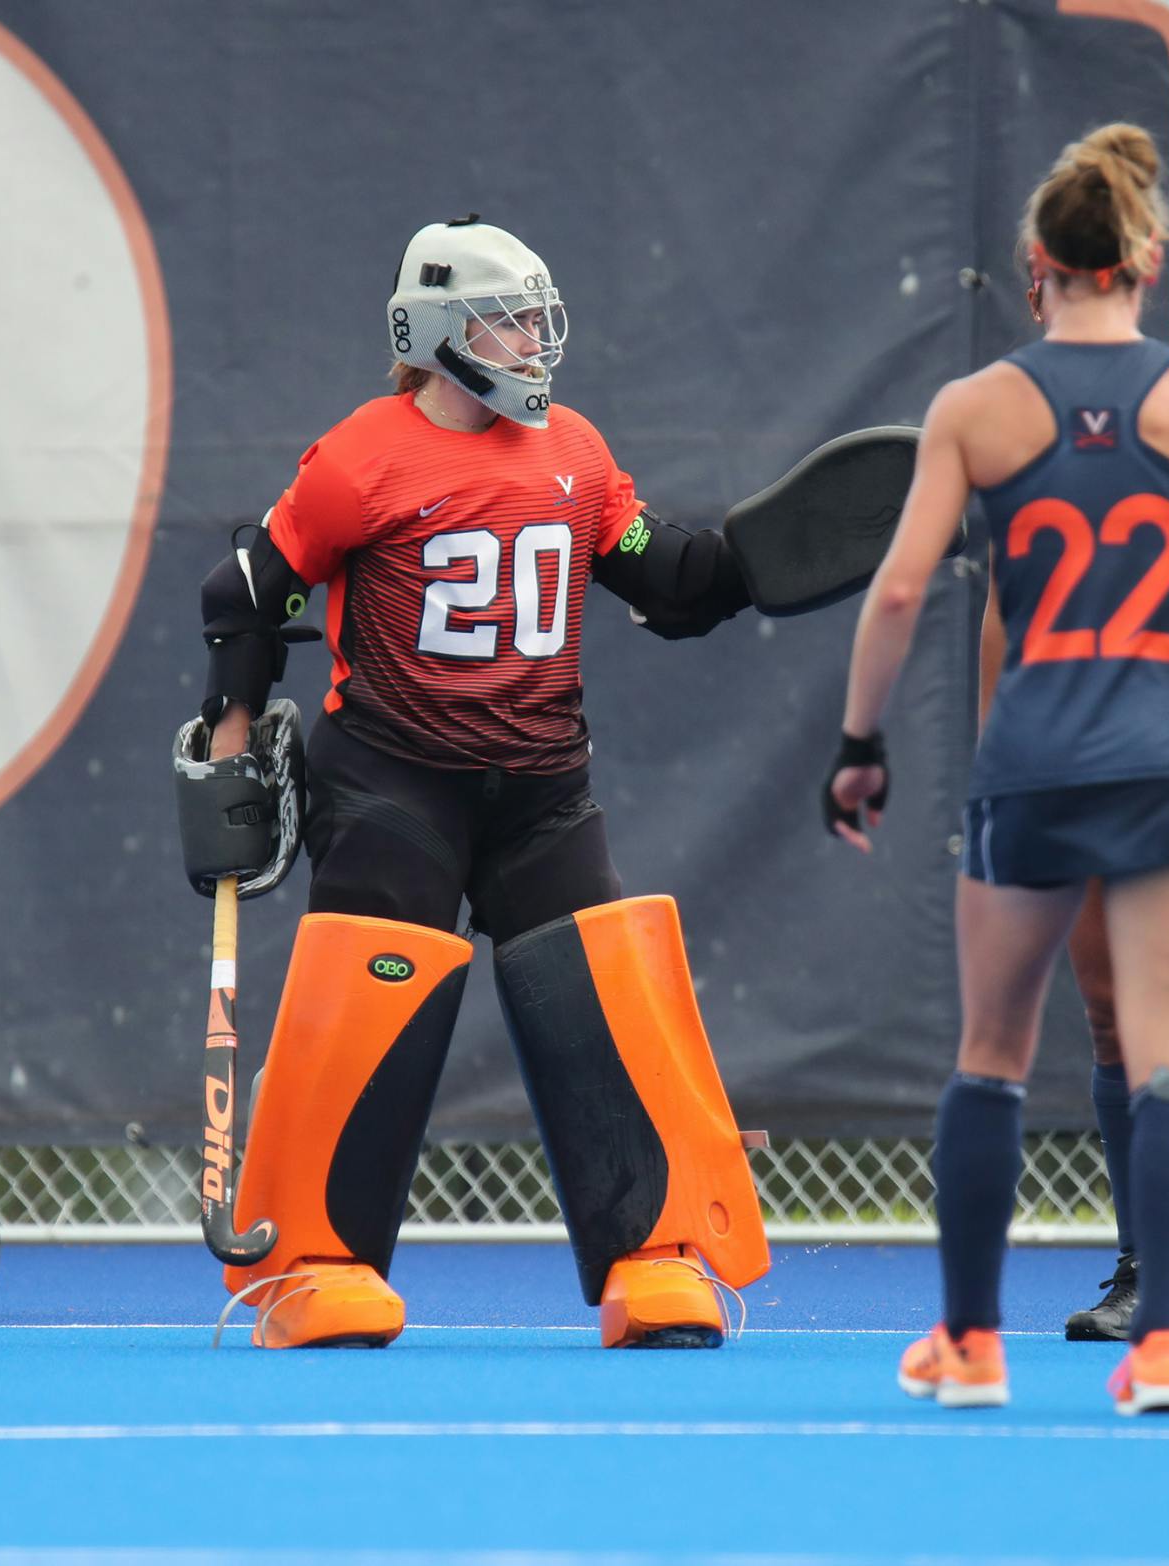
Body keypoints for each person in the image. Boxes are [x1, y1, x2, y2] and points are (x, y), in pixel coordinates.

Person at [193, 216, 769, 1349]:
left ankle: (651, 1256)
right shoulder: (362, 455)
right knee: (368, 1007)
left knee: (604, 998)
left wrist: (768, 557)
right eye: (507, 321)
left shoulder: (577, 452)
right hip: (391, 780)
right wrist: (231, 738)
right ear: (437, 333)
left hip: (542, 790)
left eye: (534, 318)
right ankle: (310, 1263)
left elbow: (669, 579)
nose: (532, 342)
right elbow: (249, 591)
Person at [828, 126, 1169, 1412]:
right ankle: (1163, 1351)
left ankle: (971, 1344)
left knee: (989, 1055)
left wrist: (859, 743)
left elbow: (901, 589)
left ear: (1036, 263)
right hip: (1165, 769)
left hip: (1027, 766)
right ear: (1145, 258)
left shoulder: (975, 410)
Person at [976, 499, 1169, 1347]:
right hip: (1070, 763)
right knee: (1110, 1017)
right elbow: (1003, 615)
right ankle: (1143, 1266)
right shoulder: (1031, 473)